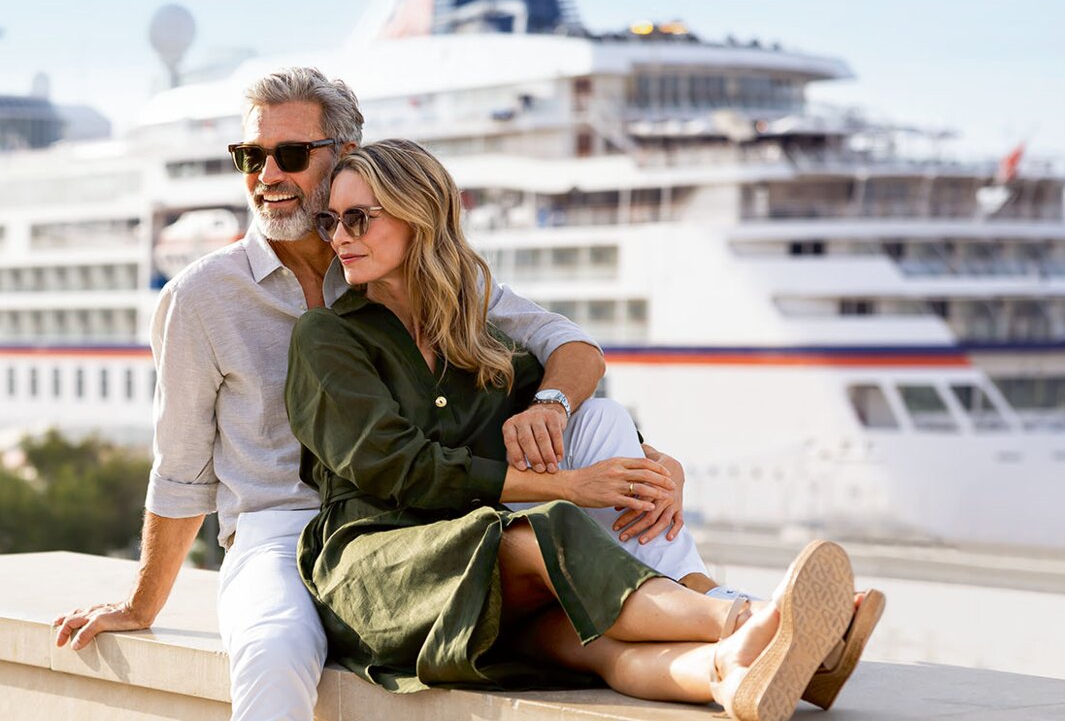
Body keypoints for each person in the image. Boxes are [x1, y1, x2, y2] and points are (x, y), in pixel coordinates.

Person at [53, 68, 741, 720]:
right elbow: (180, 466)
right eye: (249, 156)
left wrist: (641, 461)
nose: (267, 177)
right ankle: (740, 623)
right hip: (286, 526)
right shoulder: (201, 296)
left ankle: (731, 617)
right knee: (270, 652)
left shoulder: (423, 276)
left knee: (604, 419)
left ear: (346, 155)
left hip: (428, 508)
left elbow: (568, 349)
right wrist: (143, 604)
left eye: (290, 154)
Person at [286, 138, 879, 720]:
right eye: (332, 221)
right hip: (382, 569)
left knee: (595, 647)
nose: (339, 238)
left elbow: (573, 383)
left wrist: (652, 463)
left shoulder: (480, 340)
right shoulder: (328, 337)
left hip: (486, 576)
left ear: (420, 217)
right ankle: (752, 619)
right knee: (538, 530)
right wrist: (572, 488)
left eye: (359, 219)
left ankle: (731, 673)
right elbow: (398, 468)